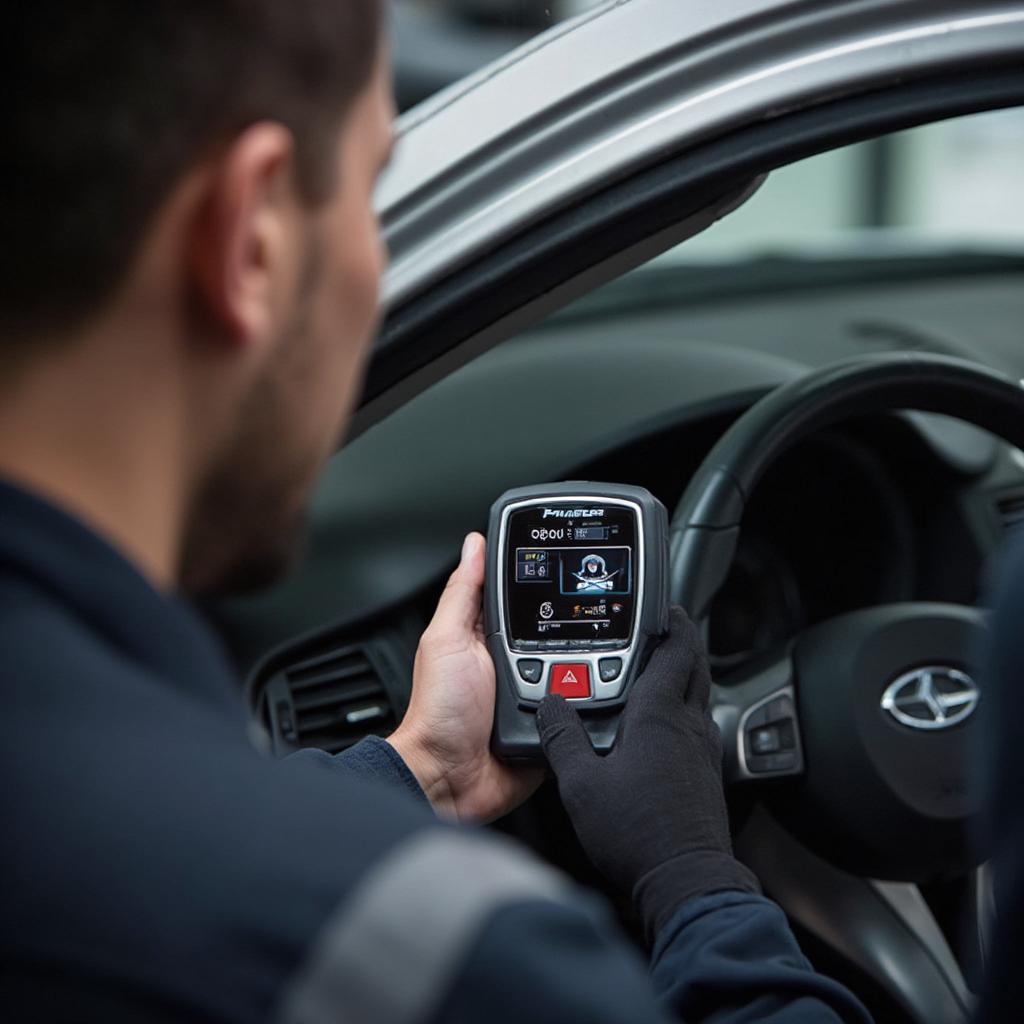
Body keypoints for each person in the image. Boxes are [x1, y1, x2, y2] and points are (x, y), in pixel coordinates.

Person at [0, 3, 870, 1022]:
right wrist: (694, 882)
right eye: (373, 196)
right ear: (252, 240)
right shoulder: (435, 956)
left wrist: (424, 771)